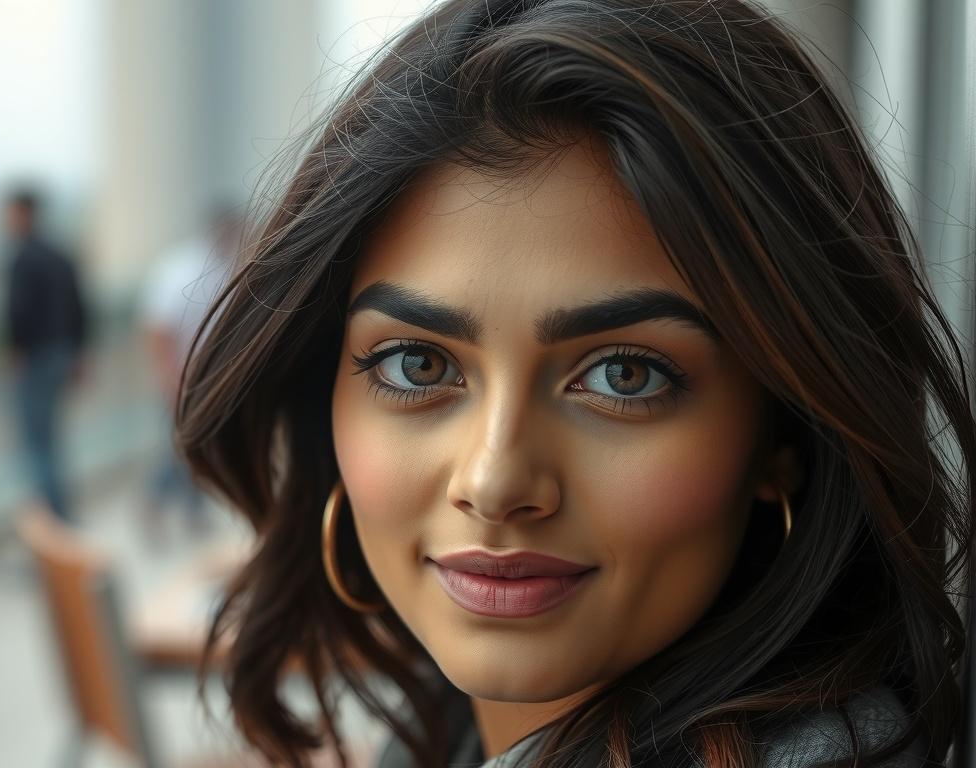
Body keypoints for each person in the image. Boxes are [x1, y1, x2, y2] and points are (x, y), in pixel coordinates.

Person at [175, 1, 974, 766]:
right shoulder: (446, 726)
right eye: (417, 365)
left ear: (786, 434)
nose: (494, 481)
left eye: (623, 377)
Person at [139, 206, 242, 537]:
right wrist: (171, 376)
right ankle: (155, 500)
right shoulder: (183, 269)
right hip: (182, 373)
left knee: (199, 442)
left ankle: (190, 511)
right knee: (185, 444)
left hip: (208, 373)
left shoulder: (227, 267)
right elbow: (158, 328)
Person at [3, 187, 88, 524]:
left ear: (25, 213)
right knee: (51, 443)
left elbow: (17, 312)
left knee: (37, 448)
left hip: (35, 358)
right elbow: (80, 306)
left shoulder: (22, 257)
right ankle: (63, 521)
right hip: (61, 354)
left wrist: (15, 350)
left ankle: (54, 526)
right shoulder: (59, 254)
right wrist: (80, 351)